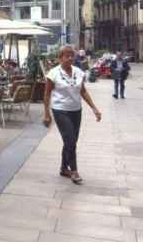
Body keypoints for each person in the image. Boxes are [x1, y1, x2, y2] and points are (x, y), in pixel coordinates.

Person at [43, 45, 102, 185]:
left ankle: (64, 168)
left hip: (76, 110)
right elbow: (46, 94)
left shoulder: (79, 72)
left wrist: (94, 108)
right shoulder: (53, 73)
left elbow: (83, 91)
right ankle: (74, 171)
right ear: (60, 58)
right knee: (70, 140)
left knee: (71, 140)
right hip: (60, 110)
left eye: (72, 55)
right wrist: (47, 114)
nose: (70, 58)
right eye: (66, 56)